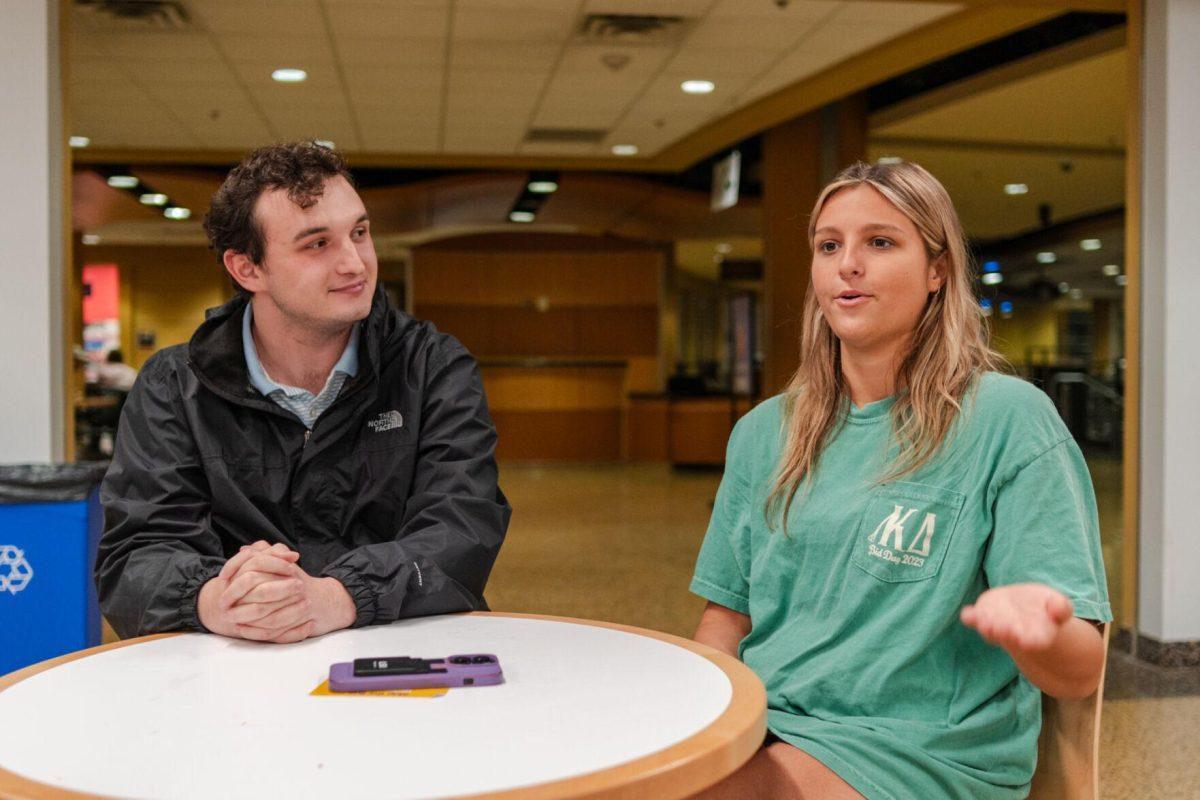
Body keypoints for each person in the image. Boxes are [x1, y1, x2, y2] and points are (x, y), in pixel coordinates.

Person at [689, 161, 1110, 799]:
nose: (847, 265)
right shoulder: (761, 434)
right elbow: (726, 620)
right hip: (773, 722)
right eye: (829, 246)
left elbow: (1080, 675)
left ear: (937, 270)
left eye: (879, 243)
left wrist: (1042, 632)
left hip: (923, 752)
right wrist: (695, 729)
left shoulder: (1006, 420)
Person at [96, 142, 511, 644]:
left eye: (359, 233)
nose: (355, 264)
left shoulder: (432, 367)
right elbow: (137, 555)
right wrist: (217, 598)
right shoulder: (173, 386)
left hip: (403, 655)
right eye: (318, 244)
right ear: (247, 269)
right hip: (235, 669)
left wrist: (338, 595)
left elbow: (463, 527)